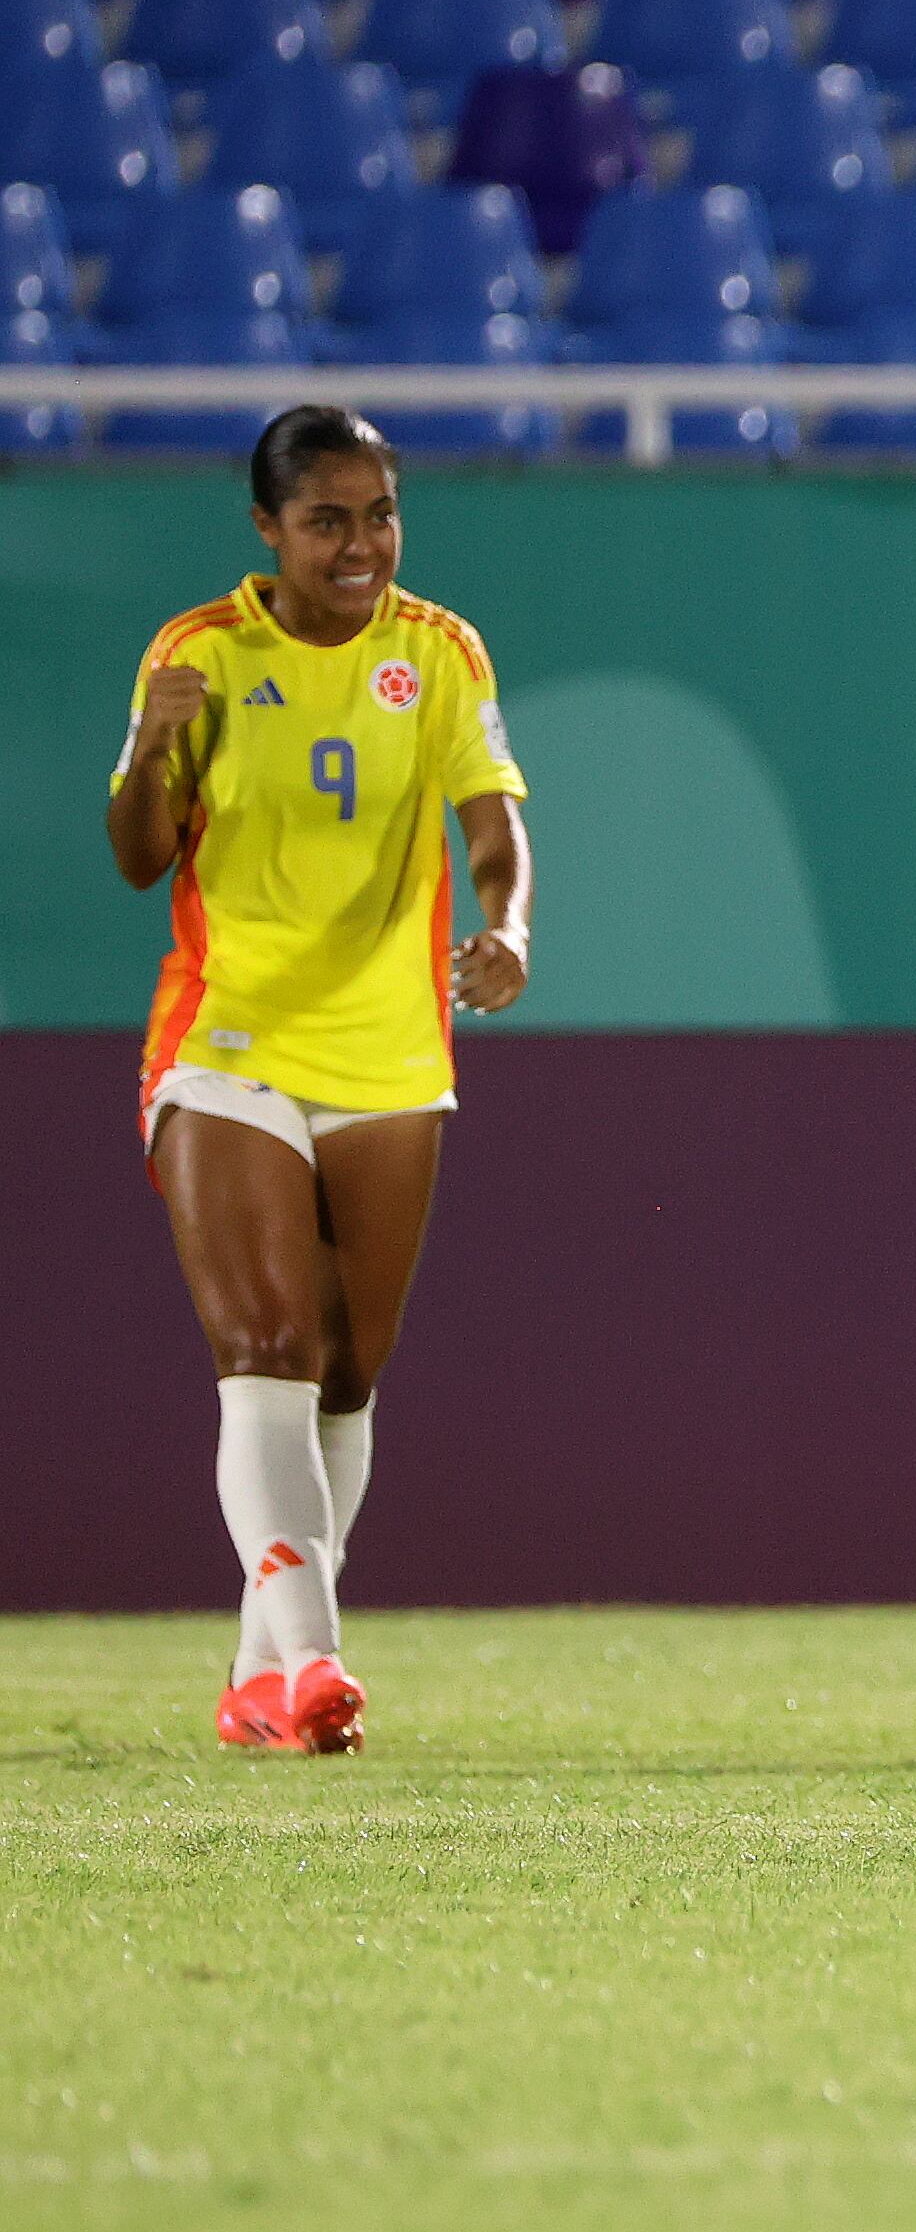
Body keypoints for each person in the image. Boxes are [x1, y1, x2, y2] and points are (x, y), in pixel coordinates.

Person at [107, 405, 535, 1755]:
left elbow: (494, 826)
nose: (360, 545)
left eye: (379, 515)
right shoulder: (201, 653)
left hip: (392, 1054)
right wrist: (146, 751)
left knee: (347, 1375)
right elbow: (136, 856)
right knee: (268, 1353)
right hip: (227, 1042)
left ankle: (257, 1680)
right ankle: (317, 1666)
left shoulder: (440, 649)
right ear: (267, 531)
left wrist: (508, 929)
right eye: (327, 520)